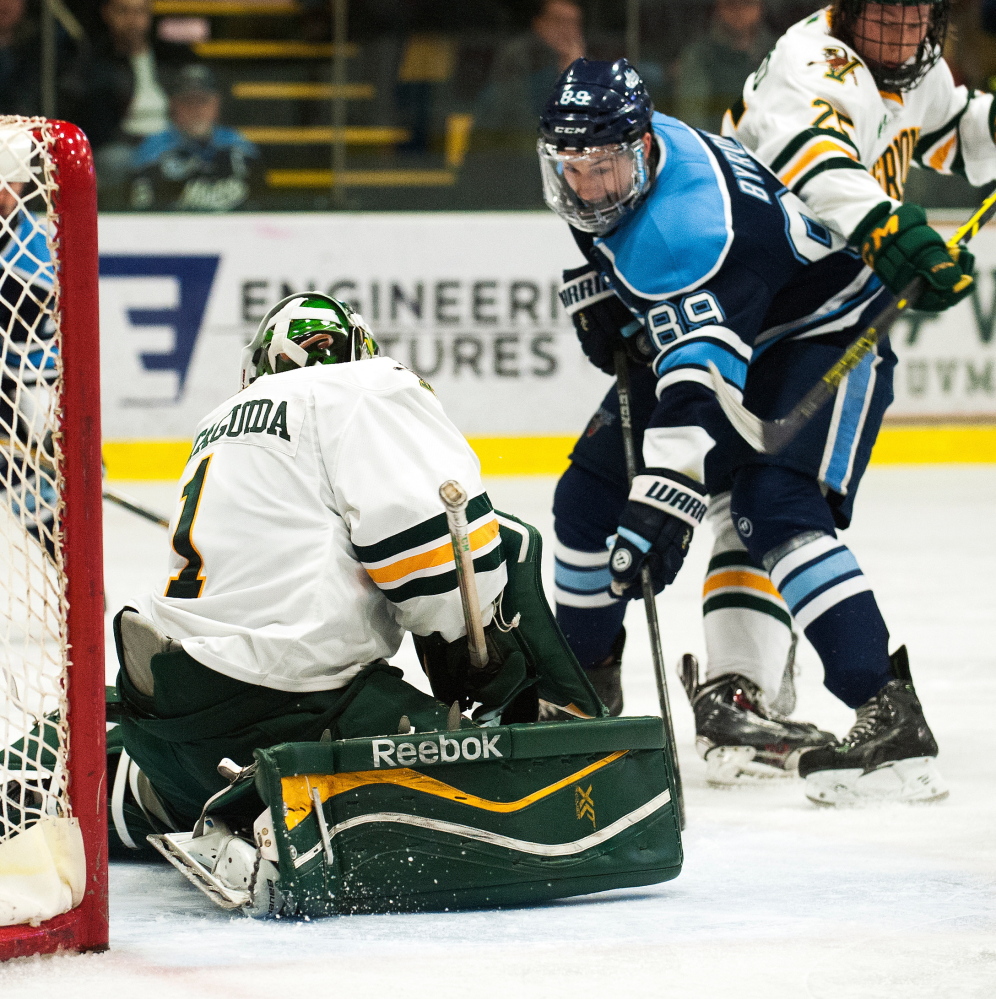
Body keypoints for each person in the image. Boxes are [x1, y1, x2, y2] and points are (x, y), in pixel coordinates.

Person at [537, 56, 979, 804]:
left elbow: (697, 387)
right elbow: (626, 252)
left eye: (601, 169)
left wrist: (665, 501)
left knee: (774, 504)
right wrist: (604, 288)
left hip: (823, 331)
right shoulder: (626, 157)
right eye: (570, 169)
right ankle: (580, 694)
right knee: (588, 494)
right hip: (737, 318)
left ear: (641, 150)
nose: (586, 188)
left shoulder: (689, 228)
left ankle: (888, 710)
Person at [107, 292, 598, 894]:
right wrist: (485, 668)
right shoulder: (361, 388)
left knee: (189, 731)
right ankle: (561, 748)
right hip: (285, 707)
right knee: (508, 544)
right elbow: (432, 557)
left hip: (161, 718)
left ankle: (139, 784)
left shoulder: (220, 421)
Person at [0, 130, 57, 559]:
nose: (3, 192)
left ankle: (80, 602)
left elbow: (47, 360)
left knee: (41, 508)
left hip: (18, 395)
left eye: (11, 180)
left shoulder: (41, 253)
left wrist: (60, 438)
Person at [61, 0, 191, 189]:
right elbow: (94, 123)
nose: (133, 21)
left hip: (173, 140)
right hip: (125, 146)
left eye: (140, 12)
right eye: (124, 11)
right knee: (114, 161)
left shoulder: (170, 55)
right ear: (107, 14)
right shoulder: (93, 60)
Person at [128, 64, 261, 212]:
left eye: (203, 101)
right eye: (188, 101)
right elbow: (142, 207)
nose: (196, 110)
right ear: (174, 105)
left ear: (216, 104)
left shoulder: (238, 144)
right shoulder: (153, 147)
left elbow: (257, 200)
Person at [675, 0, 774, 134]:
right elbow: (693, 118)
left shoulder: (777, 50)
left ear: (760, 7)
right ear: (718, 7)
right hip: (717, 146)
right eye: (731, 4)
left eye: (747, 4)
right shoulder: (700, 55)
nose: (739, 12)